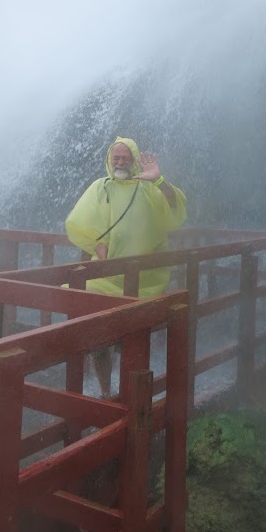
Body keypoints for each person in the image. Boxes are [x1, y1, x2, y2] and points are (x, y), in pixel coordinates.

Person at [65, 137, 187, 397]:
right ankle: (107, 393)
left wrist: (159, 180)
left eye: (125, 158)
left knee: (129, 338)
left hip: (143, 278)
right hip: (105, 277)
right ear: (109, 160)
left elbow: (175, 209)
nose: (120, 163)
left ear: (133, 160)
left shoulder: (147, 187)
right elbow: (79, 223)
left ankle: (128, 394)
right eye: (116, 158)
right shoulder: (101, 188)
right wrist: (97, 244)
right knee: (98, 337)